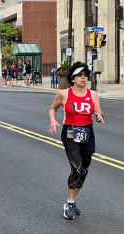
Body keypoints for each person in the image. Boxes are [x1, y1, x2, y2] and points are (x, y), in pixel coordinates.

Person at [49, 61, 104, 220]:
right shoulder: (64, 94)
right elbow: (53, 108)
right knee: (77, 168)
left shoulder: (93, 95)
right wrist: (53, 120)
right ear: (72, 78)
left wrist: (99, 116)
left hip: (88, 133)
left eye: (85, 75)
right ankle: (70, 202)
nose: (83, 78)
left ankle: (72, 200)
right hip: (71, 132)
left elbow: (98, 112)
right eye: (80, 75)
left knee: (84, 171)